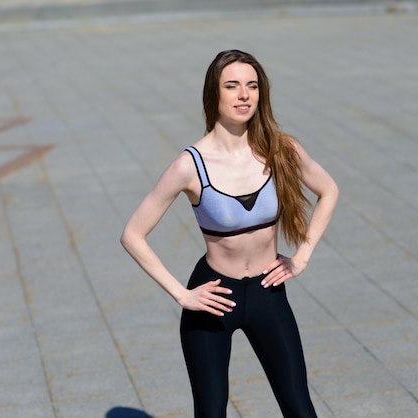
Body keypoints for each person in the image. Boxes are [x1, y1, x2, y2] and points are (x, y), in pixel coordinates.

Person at [120, 49, 339, 418]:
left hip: (269, 293)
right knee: (211, 412)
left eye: (252, 86)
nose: (244, 95)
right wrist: (181, 295)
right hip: (214, 296)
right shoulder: (191, 164)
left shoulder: (280, 149)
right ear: (214, 94)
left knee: (300, 409)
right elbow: (132, 234)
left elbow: (329, 190)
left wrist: (301, 256)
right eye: (232, 85)